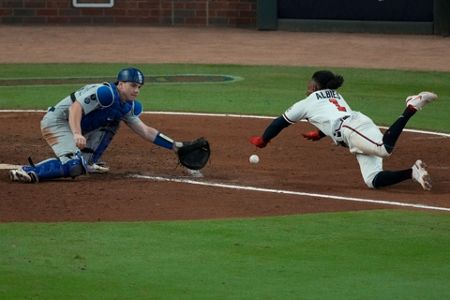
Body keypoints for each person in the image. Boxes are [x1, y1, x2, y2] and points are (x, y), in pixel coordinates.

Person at [250, 70, 437, 191]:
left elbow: (279, 123)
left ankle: (411, 106)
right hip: (353, 129)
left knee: (384, 149)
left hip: (352, 129)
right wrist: (321, 133)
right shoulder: (334, 94)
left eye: (309, 83)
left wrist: (264, 139)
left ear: (315, 86)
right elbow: (329, 115)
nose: (307, 87)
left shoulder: (306, 103)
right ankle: (413, 172)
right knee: (372, 180)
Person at [10, 67, 185, 183]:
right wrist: (77, 134)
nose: (137, 90)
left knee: (114, 119)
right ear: (121, 83)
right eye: (133, 85)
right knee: (74, 167)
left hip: (76, 124)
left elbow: (145, 131)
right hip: (58, 122)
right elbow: (75, 108)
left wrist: (175, 146)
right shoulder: (105, 93)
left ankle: (89, 160)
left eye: (139, 87)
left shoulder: (128, 105)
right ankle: (29, 171)